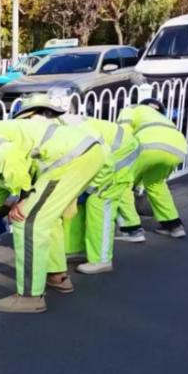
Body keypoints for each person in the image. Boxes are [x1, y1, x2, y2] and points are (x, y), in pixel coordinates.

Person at [0, 116, 107, 313]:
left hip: (68, 158)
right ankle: (57, 276)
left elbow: (11, 159)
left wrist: (24, 198)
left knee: (26, 221)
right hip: (82, 154)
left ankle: (30, 297)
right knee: (45, 218)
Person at [11, 94, 141, 275]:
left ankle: (102, 260)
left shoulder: (68, 126)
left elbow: (103, 155)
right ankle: (76, 250)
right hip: (106, 154)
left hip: (120, 153)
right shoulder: (51, 128)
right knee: (75, 202)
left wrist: (91, 186)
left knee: (99, 201)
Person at [114, 97, 188, 242]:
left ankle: (131, 230)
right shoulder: (162, 118)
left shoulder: (132, 109)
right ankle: (174, 226)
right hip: (178, 148)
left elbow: (122, 135)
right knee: (156, 184)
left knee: (122, 183)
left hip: (148, 146)